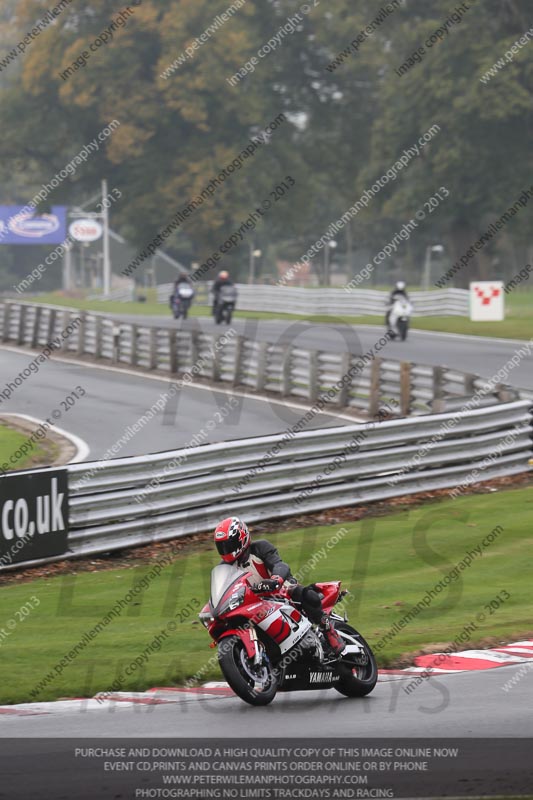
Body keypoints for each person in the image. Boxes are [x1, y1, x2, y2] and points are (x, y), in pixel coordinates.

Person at [213, 516, 346, 656]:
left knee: (303, 593)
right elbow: (222, 592)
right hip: (254, 603)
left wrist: (275, 580)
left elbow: (279, 564)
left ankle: (328, 630)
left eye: (229, 544)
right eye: (221, 546)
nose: (225, 549)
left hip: (280, 590)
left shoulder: (260, 548)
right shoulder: (224, 568)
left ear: (242, 537)